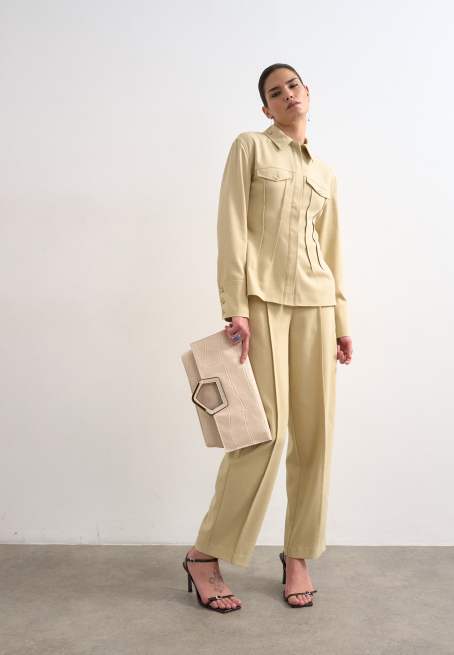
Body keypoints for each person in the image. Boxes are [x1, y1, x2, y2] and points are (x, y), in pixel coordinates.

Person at [182, 63, 353, 613]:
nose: (287, 95)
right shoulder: (249, 148)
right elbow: (231, 224)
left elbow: (332, 249)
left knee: (316, 436)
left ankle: (298, 555)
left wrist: (341, 321)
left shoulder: (325, 173)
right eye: (276, 92)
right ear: (266, 108)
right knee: (264, 434)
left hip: (316, 306)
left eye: (293, 86)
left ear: (308, 93)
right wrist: (234, 304)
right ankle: (205, 555)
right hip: (260, 304)